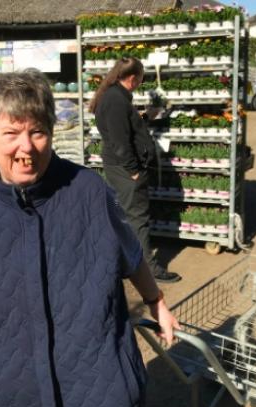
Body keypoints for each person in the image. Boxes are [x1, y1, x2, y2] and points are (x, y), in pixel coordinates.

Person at [0, 70, 180, 407]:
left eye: (37, 132)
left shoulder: (89, 192)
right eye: (11, 133)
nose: (26, 147)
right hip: (9, 402)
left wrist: (156, 301)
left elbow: (131, 256)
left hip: (100, 392)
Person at [91, 57, 180, 284]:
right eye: (140, 79)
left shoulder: (114, 96)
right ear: (132, 78)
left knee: (125, 216)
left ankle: (122, 262)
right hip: (125, 169)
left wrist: (144, 117)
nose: (140, 83)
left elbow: (123, 127)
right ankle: (147, 270)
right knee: (137, 218)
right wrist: (133, 170)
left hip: (121, 167)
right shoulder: (115, 100)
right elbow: (120, 141)